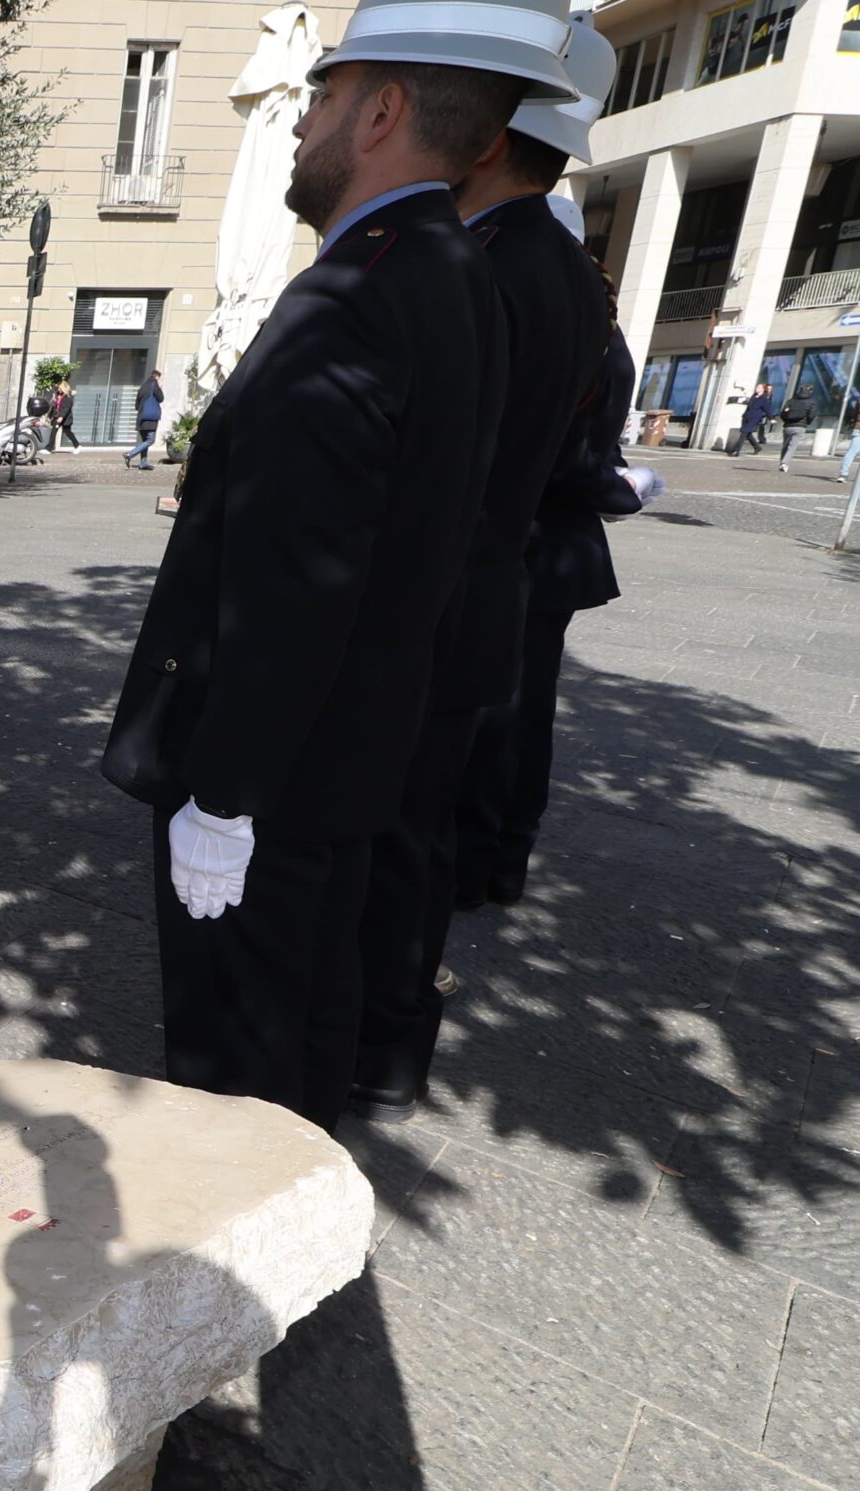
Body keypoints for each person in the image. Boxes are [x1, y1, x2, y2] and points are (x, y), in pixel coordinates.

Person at [99, 0, 569, 1136]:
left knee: (236, 1068)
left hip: (278, 775)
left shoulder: (355, 295)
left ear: (382, 111)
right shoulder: (454, 270)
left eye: (317, 100)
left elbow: (295, 580)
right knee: (303, 1029)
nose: (301, 125)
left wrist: (224, 796)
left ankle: (239, 1292)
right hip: (352, 752)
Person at [350, 23, 615, 1112]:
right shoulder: (560, 267)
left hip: (442, 594)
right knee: (422, 828)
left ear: (493, 141)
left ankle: (376, 1038)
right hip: (489, 584)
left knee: (397, 832)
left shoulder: (486, 268)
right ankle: (392, 1037)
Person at [454, 333, 645, 909]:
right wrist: (626, 489)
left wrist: (618, 488)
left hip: (518, 548)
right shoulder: (596, 334)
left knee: (497, 714)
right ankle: (498, 861)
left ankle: (480, 860)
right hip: (543, 550)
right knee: (518, 714)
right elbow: (588, 459)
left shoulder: (573, 332)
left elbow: (572, 457)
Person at [125, 370, 165, 469]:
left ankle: (143, 463)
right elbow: (160, 398)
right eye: (159, 378)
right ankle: (130, 454)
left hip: (141, 417)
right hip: (150, 418)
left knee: (144, 440)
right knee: (150, 440)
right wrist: (160, 388)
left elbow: (137, 405)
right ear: (156, 377)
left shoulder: (142, 387)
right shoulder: (154, 385)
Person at [776, 383, 818, 469]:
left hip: (788, 426)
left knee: (785, 445)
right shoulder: (811, 402)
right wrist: (807, 422)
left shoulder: (791, 400)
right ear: (811, 391)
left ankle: (782, 462)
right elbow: (812, 414)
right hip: (800, 426)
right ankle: (785, 463)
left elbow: (783, 413)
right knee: (792, 446)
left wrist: (786, 421)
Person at [734, 382, 775, 457]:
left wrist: (771, 418)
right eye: (757, 387)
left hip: (754, 417)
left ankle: (736, 450)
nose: (757, 389)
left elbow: (768, 409)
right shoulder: (754, 396)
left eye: (759, 388)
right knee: (748, 434)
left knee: (744, 432)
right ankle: (757, 447)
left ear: (763, 389)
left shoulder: (764, 398)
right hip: (747, 416)